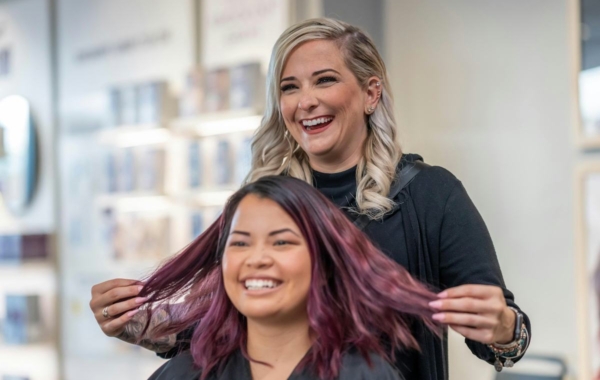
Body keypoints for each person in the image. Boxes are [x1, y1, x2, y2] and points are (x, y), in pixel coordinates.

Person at [89, 18, 531, 379]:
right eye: (289, 87)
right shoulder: (262, 203)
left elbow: (504, 343)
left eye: (325, 80)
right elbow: (227, 328)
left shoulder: (431, 195)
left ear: (370, 93)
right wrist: (144, 324)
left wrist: (503, 328)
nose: (307, 102)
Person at [142, 176, 438, 379]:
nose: (257, 259)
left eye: (281, 242)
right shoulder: (184, 374)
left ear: (323, 263)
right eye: (240, 243)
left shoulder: (364, 375)